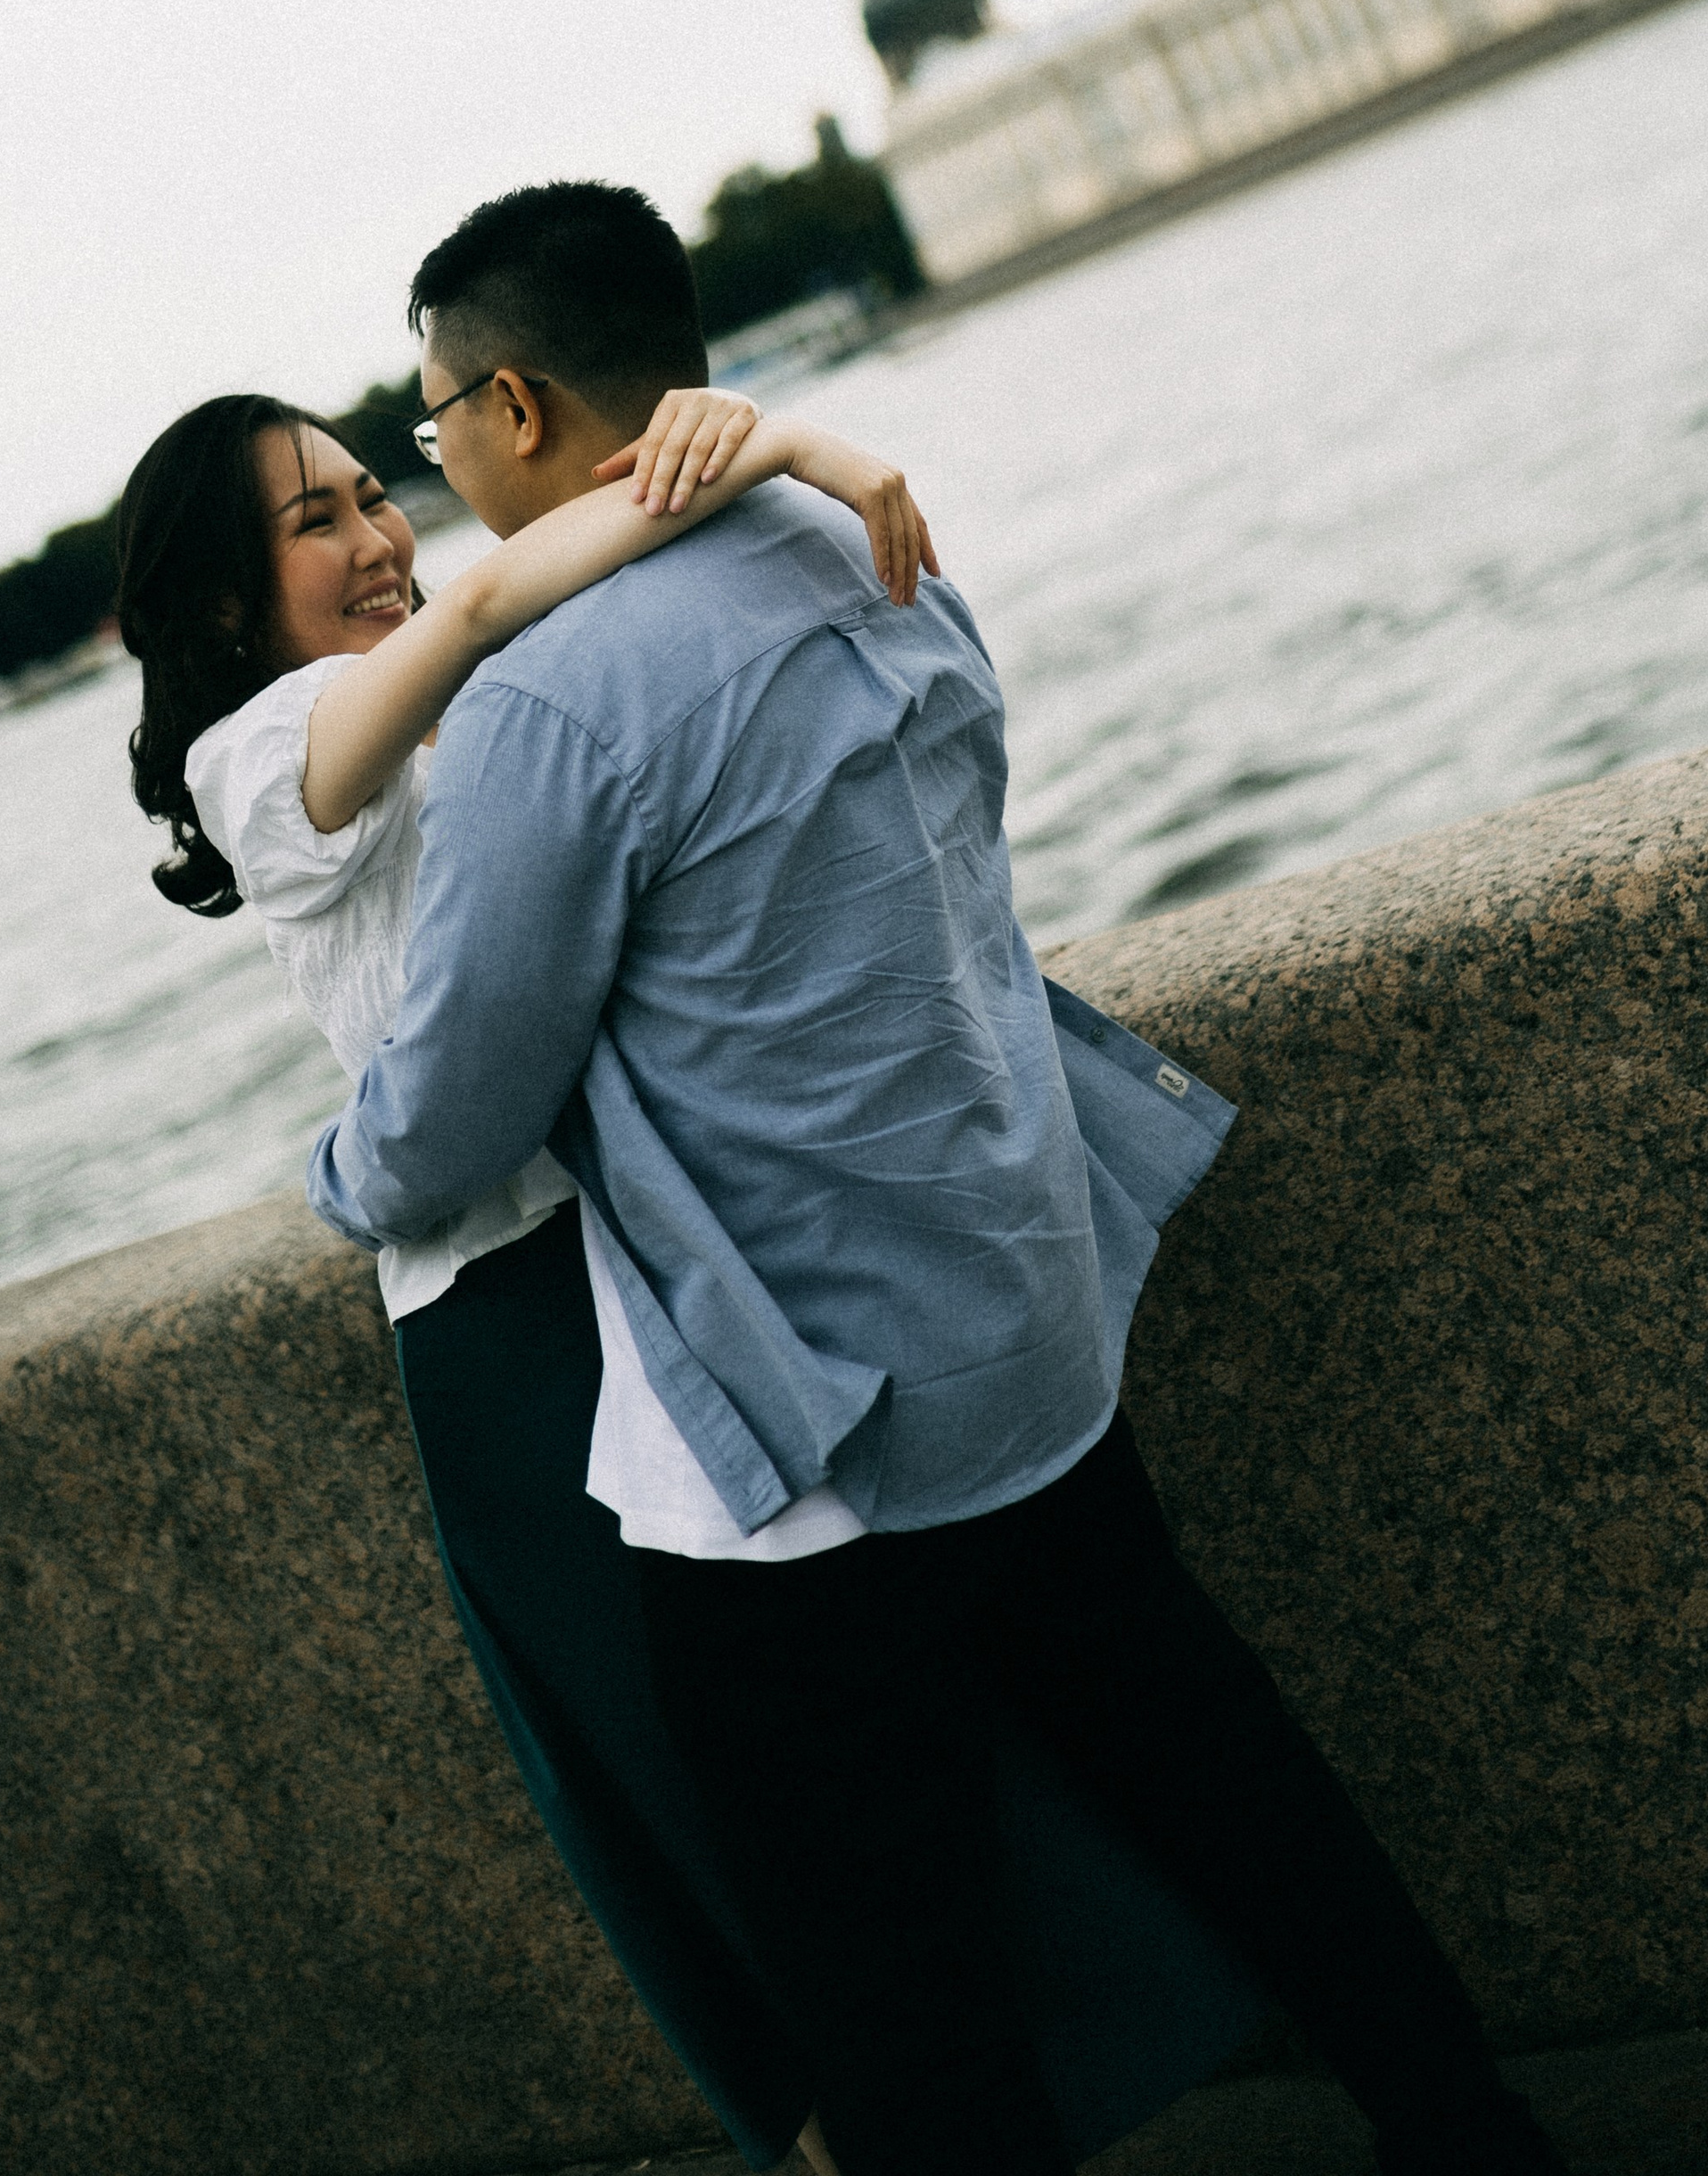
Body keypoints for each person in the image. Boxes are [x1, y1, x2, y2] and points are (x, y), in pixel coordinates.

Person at [310, 179, 1573, 2176]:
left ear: (525, 403)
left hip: (813, 1453)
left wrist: (334, 1165)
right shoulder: (851, 538)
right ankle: (1469, 2133)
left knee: (899, 2007)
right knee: (1239, 1799)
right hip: (1021, 1323)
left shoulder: (546, 699)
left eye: (437, 415)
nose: (432, 460)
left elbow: (449, 1118)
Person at [119, 365, 1263, 2173]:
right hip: (510, 1332)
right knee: (714, 1809)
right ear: (208, 601)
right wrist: (804, 444)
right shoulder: (261, 751)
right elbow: (506, 584)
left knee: (865, 1781)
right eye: (313, 516)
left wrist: (753, 451)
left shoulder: (459, 698)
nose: (377, 537)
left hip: (646, 1259)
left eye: (369, 492)